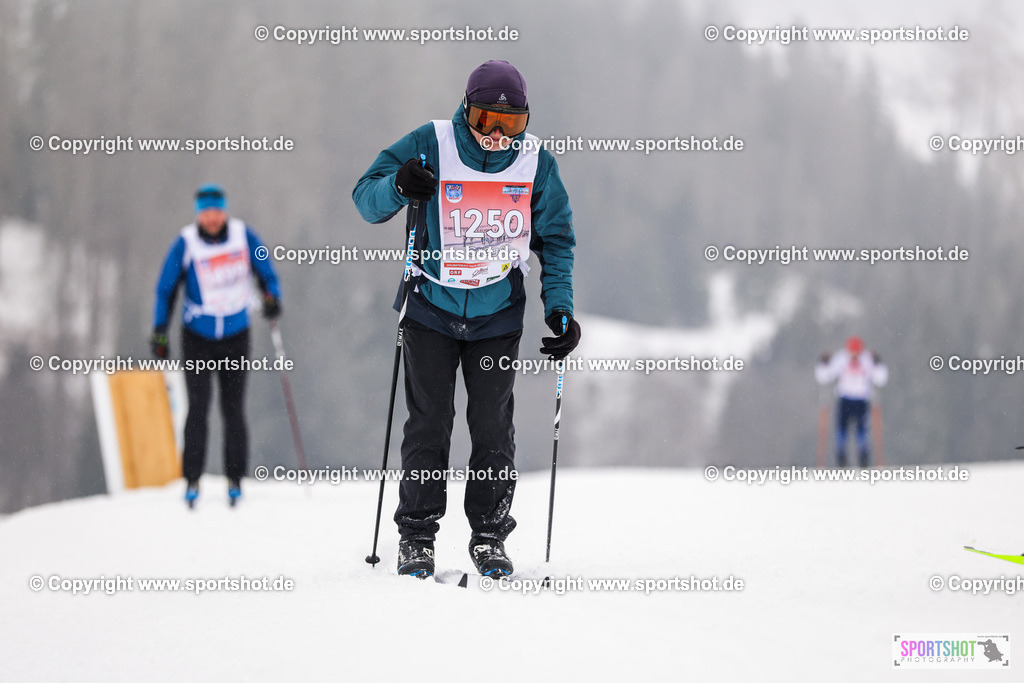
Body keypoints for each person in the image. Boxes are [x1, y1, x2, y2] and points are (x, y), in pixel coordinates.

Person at [353, 60, 580, 578]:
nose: (497, 136)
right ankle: (417, 536)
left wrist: (560, 309)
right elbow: (366, 199)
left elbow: (557, 239)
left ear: (526, 120)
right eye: (485, 120)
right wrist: (398, 186)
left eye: (512, 124)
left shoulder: (536, 163)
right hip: (431, 310)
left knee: (492, 428)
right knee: (429, 426)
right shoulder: (432, 142)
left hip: (496, 316)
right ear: (465, 109)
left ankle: (489, 535)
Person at [151, 184, 281, 507]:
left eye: (217, 212)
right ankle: (192, 480)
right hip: (198, 337)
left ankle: (235, 480)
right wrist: (159, 331)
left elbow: (268, 274)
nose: (211, 218)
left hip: (237, 335)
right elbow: (165, 289)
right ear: (198, 214)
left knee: (233, 409)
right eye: (205, 213)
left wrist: (272, 298)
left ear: (225, 211)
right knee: (198, 408)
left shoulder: (243, 236)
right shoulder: (186, 243)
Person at [815, 336, 888, 467]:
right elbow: (823, 376)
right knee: (842, 430)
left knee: (862, 431)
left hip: (861, 400)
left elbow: (881, 378)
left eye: (857, 351)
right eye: (852, 351)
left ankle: (863, 458)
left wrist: (878, 363)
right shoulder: (841, 358)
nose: (854, 355)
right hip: (845, 400)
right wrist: (823, 362)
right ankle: (841, 458)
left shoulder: (866, 359)